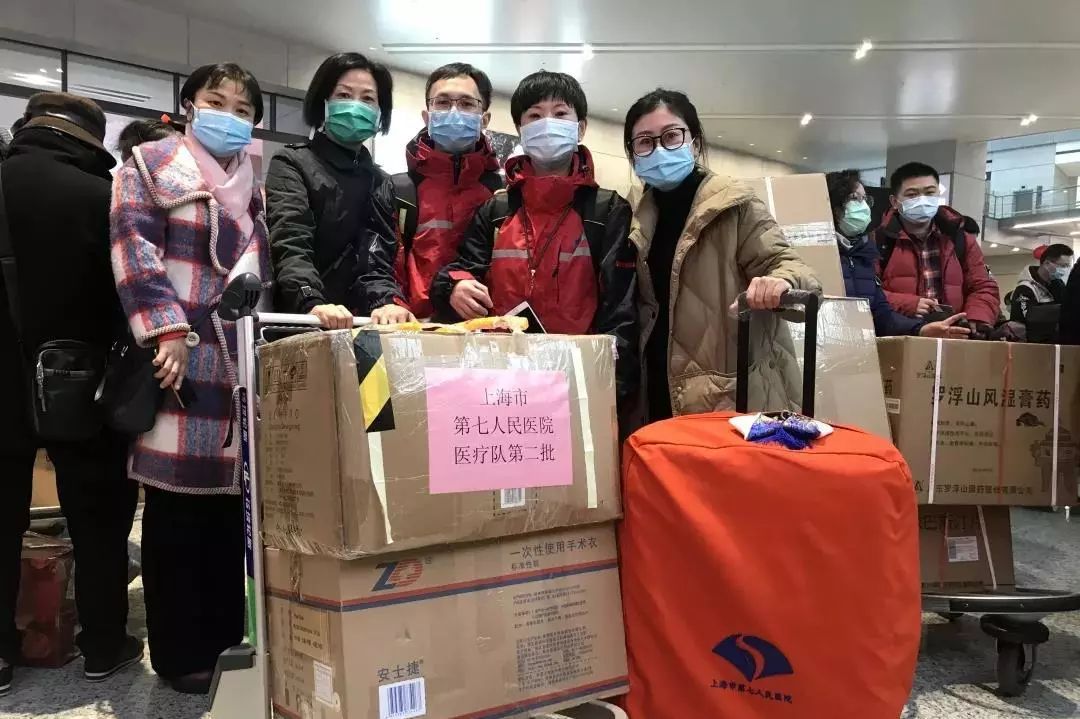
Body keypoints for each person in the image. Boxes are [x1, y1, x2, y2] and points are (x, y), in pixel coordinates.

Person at [110, 63, 270, 695]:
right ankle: (179, 655)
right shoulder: (150, 165)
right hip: (177, 359)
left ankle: (228, 640)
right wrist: (166, 329)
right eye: (216, 101)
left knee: (231, 512)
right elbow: (134, 250)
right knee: (176, 510)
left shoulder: (250, 187)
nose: (229, 114)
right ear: (189, 105)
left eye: (242, 107)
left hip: (238, 367)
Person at [0, 93, 140, 697]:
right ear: (91, 140)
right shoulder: (102, 197)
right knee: (99, 516)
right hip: (82, 382)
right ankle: (104, 645)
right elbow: (128, 296)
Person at [430, 70, 638, 428]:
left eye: (560, 114)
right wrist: (454, 286)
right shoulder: (497, 209)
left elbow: (621, 310)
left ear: (581, 128)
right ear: (521, 129)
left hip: (577, 385)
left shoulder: (606, 211)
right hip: (499, 383)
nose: (547, 124)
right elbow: (462, 269)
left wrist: (610, 390)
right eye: (535, 115)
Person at [623, 88, 819, 423]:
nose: (659, 149)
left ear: (694, 142)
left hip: (727, 397)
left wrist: (779, 282)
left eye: (671, 136)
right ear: (633, 154)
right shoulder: (635, 215)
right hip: (655, 393)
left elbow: (790, 265)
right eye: (645, 142)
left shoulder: (735, 205)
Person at [267, 52, 410, 327]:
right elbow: (291, 242)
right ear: (323, 102)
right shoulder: (292, 162)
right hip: (303, 320)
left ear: (380, 112)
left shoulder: (380, 180)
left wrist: (386, 301)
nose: (355, 106)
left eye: (368, 99)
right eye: (344, 95)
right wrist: (311, 300)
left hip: (362, 325)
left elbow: (376, 257)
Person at [388, 63, 502, 319]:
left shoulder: (502, 195)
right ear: (427, 116)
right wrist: (389, 302)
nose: (454, 112)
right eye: (442, 103)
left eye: (467, 104)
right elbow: (379, 263)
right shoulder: (399, 190)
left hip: (483, 330)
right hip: (410, 328)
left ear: (484, 120)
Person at [825, 169, 970, 339]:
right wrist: (908, 305)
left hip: (858, 347)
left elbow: (882, 315)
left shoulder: (862, 255)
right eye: (854, 198)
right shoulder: (820, 253)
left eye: (865, 199)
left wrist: (920, 329)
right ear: (833, 204)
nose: (863, 206)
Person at [875, 162, 1000, 332]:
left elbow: (983, 286)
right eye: (912, 194)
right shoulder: (879, 240)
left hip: (953, 335)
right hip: (902, 335)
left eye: (929, 193)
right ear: (894, 201)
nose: (922, 200)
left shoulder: (959, 238)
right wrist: (909, 304)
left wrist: (977, 317)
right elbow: (865, 292)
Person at [1009, 243, 1073, 323]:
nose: (1065, 269)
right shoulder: (1025, 288)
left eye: (1068, 266)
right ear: (1047, 263)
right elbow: (1026, 320)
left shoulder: (1058, 285)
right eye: (1063, 266)